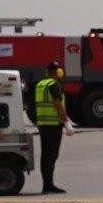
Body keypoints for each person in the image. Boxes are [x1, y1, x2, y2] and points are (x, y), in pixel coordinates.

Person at [30, 61, 70, 194]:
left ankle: (46, 184)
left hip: (43, 125)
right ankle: (49, 185)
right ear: (58, 72)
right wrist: (66, 122)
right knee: (52, 155)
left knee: (46, 155)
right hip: (53, 125)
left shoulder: (40, 84)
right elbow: (58, 104)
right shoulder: (54, 85)